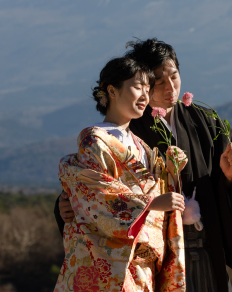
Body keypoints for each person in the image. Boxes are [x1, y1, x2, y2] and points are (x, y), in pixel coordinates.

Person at [57, 39, 232, 292]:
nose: (169, 87)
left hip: (203, 246)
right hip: (151, 258)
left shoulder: (207, 122)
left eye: (174, 76)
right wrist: (65, 204)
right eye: (157, 82)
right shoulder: (129, 125)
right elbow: (93, 185)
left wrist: (230, 177)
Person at [54, 56, 187, 292]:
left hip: (144, 266)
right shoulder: (95, 139)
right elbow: (96, 194)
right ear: (112, 91)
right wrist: (151, 203)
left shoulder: (143, 147)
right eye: (137, 87)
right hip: (109, 261)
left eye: (148, 88)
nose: (145, 96)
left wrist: (170, 172)